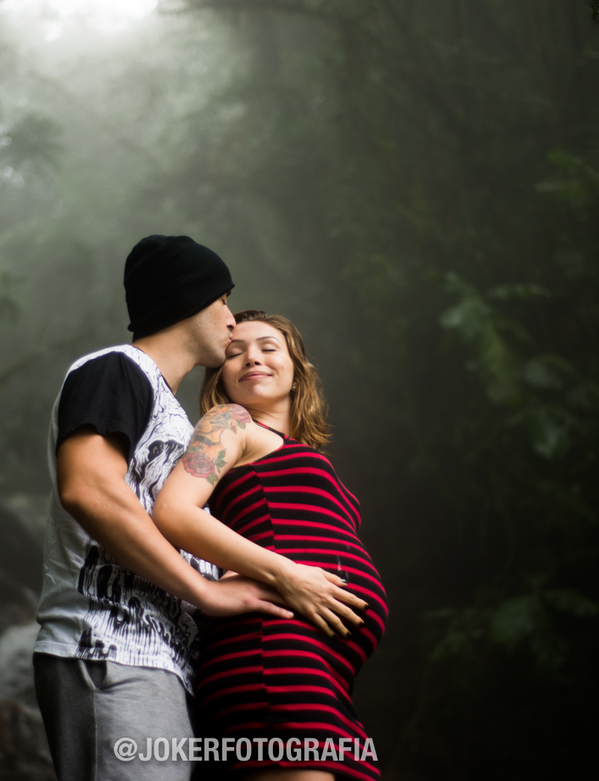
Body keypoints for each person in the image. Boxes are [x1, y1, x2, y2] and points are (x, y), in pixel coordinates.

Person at [33, 238, 359, 781]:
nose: (232, 322)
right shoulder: (118, 369)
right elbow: (88, 490)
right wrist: (208, 590)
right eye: (224, 301)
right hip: (110, 646)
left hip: (166, 662)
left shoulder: (176, 421)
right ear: (190, 298)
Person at [154, 310, 388, 781]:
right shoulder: (231, 422)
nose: (251, 358)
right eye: (234, 352)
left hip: (319, 668)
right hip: (273, 655)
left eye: (267, 347)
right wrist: (287, 573)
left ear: (298, 370)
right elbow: (174, 511)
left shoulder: (296, 450)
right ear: (220, 377)